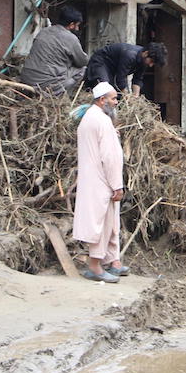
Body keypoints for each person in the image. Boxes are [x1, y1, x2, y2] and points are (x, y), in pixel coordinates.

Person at [72, 82, 128, 283]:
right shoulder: (101, 121)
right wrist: (117, 185)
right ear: (102, 100)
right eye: (113, 98)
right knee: (101, 224)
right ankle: (95, 267)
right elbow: (110, 157)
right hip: (102, 179)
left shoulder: (90, 118)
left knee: (109, 222)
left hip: (93, 178)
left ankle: (113, 262)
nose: (115, 102)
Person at [20, 6, 89, 95]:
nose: (78, 29)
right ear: (71, 25)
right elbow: (82, 61)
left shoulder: (43, 31)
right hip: (45, 84)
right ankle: (62, 95)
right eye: (77, 26)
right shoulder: (71, 38)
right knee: (82, 70)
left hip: (26, 79)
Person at [85, 42, 167, 96]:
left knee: (117, 95)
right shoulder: (130, 55)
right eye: (152, 61)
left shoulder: (144, 61)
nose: (151, 65)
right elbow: (121, 78)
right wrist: (127, 97)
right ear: (146, 53)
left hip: (112, 70)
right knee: (106, 89)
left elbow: (138, 79)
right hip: (101, 62)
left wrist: (135, 97)